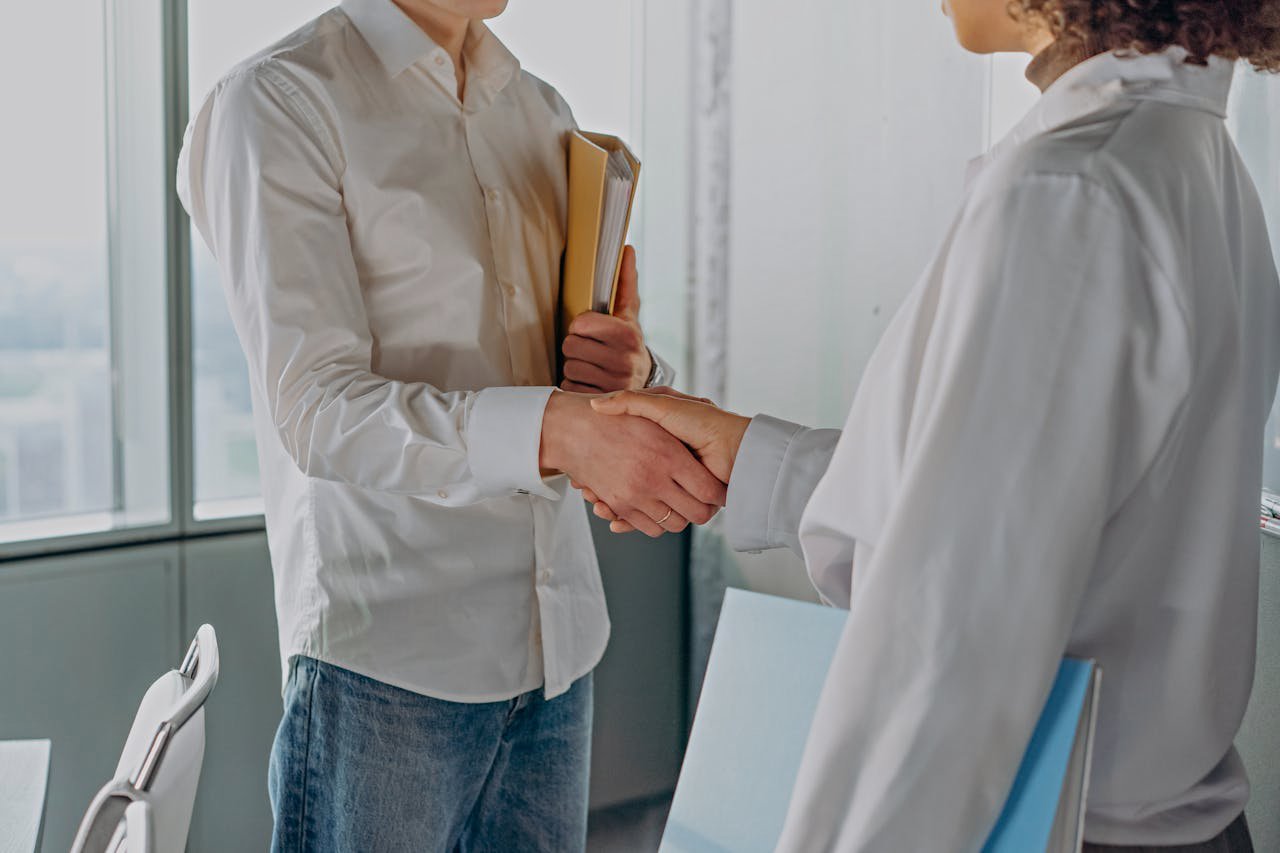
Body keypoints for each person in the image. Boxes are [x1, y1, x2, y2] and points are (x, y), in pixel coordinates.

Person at [586, 0, 1280, 849]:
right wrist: (751, 456)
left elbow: (949, 649)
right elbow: (1022, 514)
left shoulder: (1069, 194)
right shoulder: (1184, 155)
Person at [177, 0, 724, 849]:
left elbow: (562, 369)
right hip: (388, 668)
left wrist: (627, 372)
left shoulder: (538, 110)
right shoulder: (279, 103)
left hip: (556, 651)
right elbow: (318, 408)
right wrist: (559, 430)